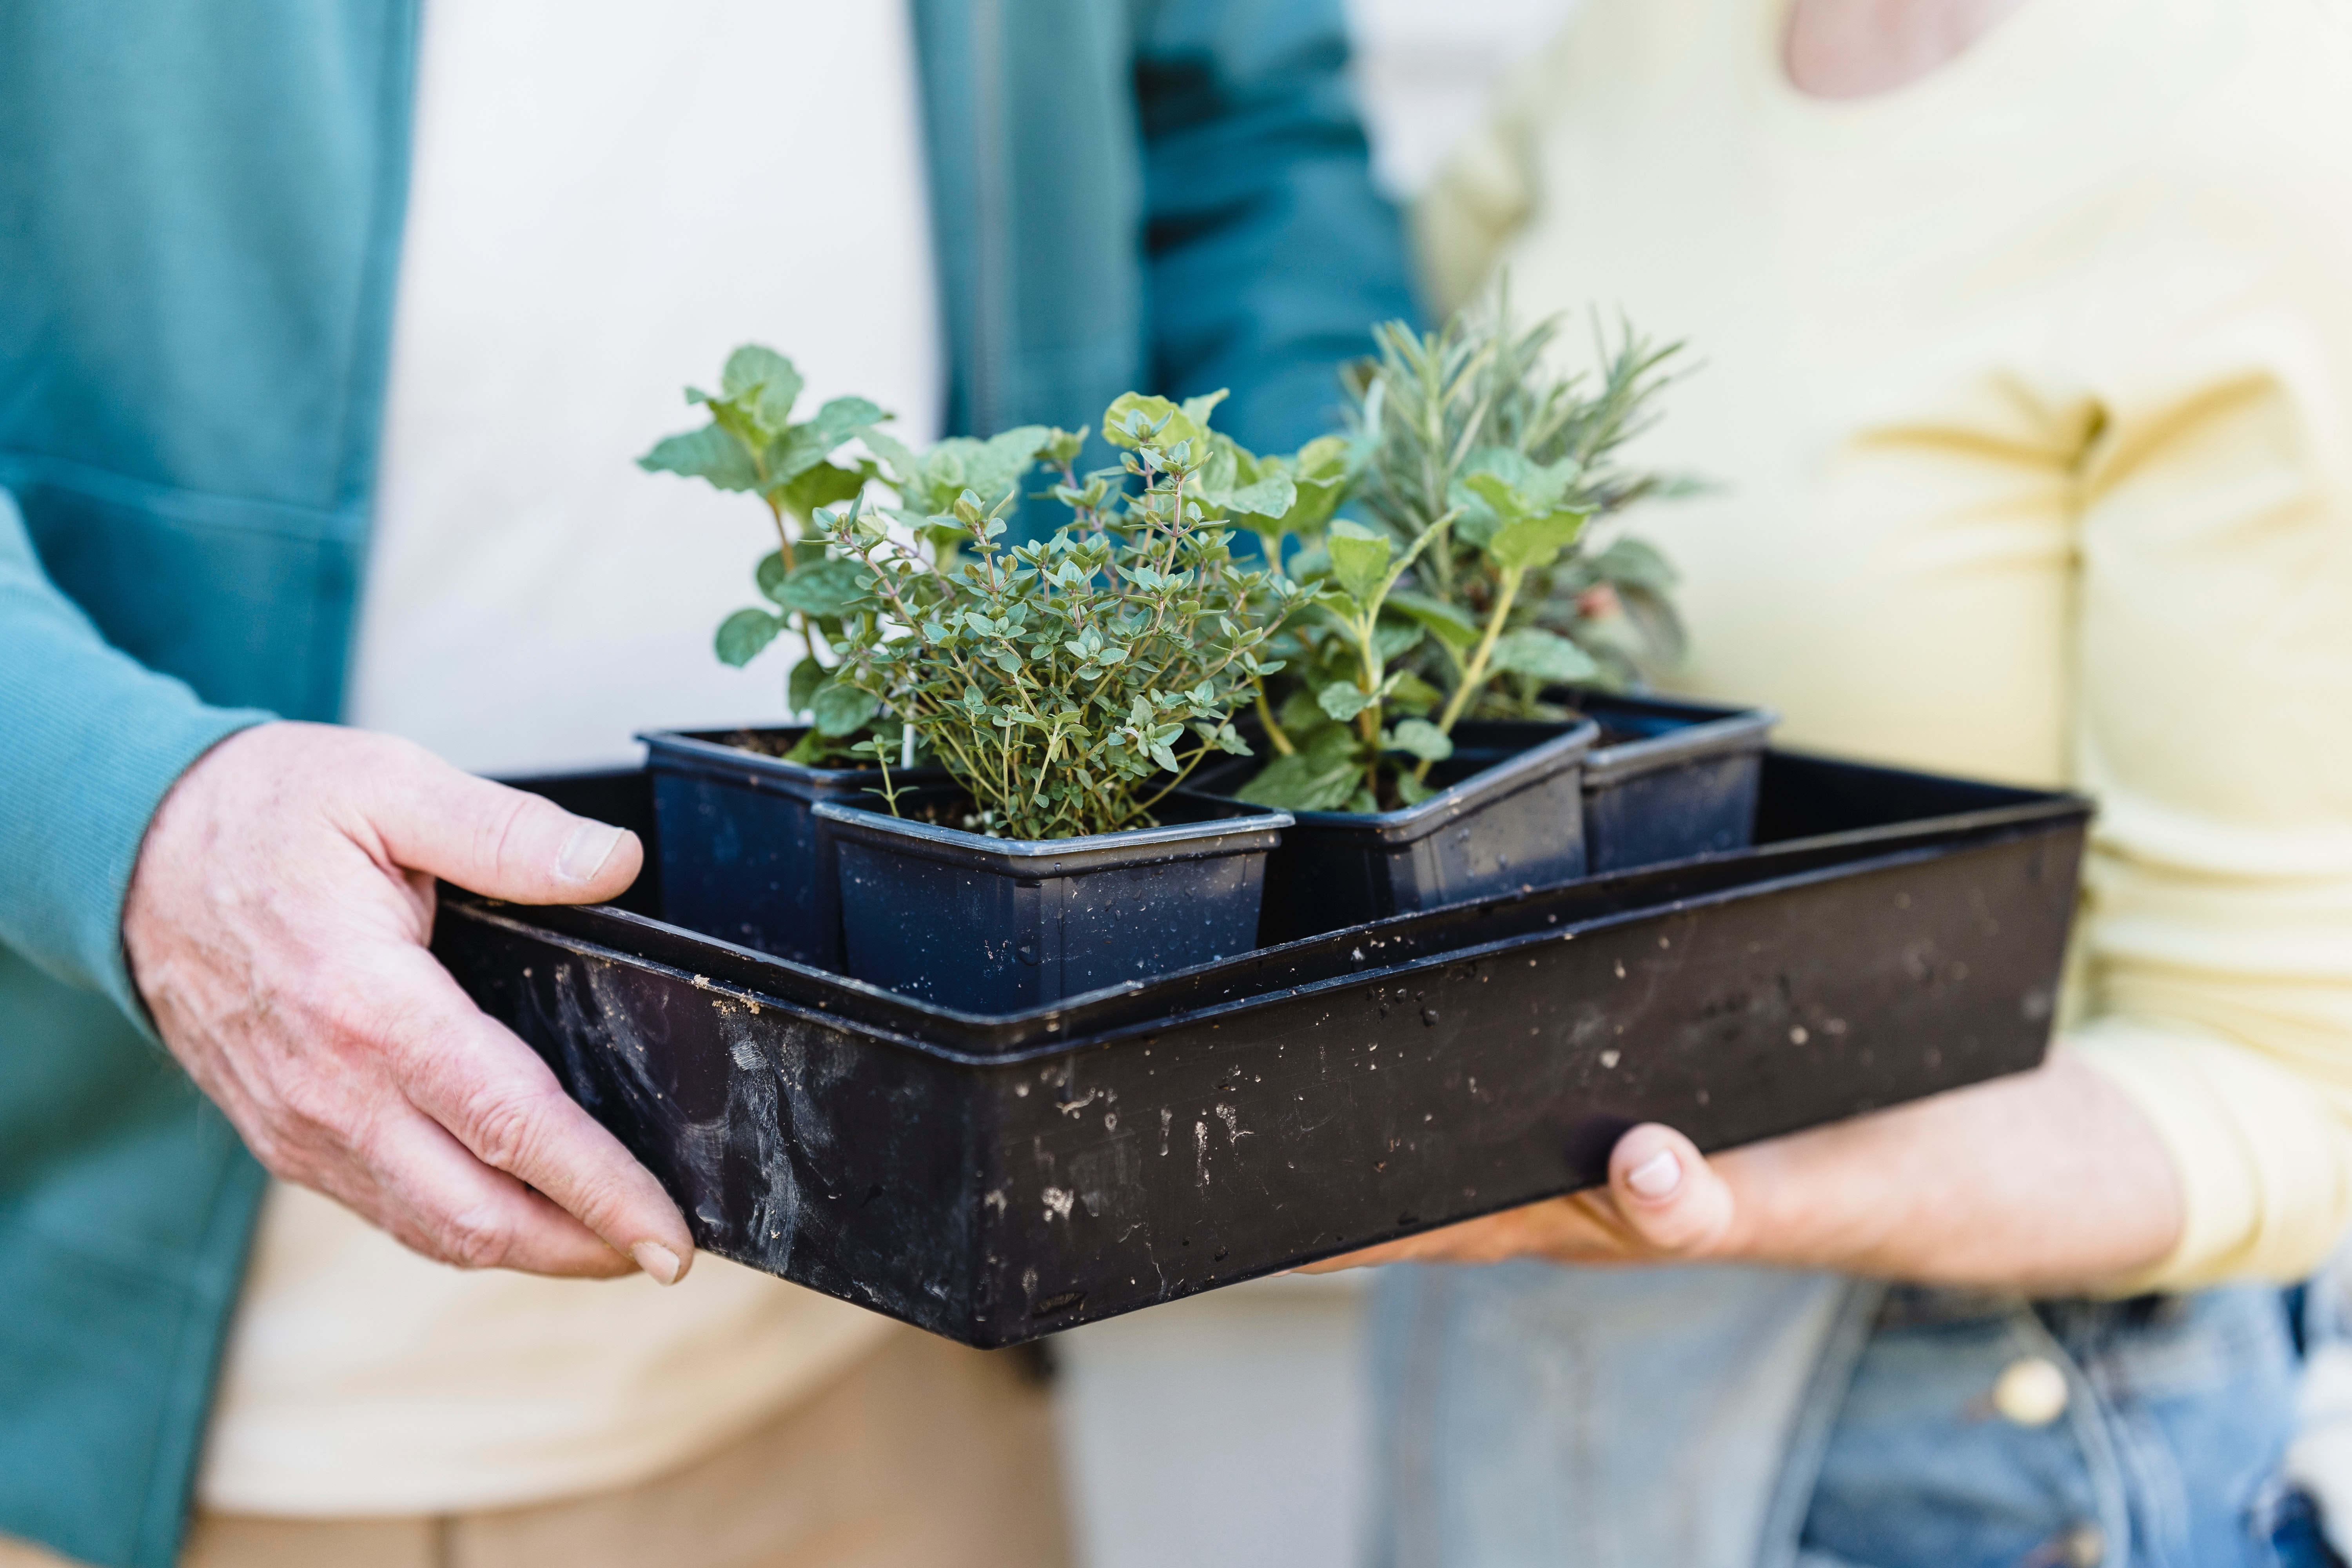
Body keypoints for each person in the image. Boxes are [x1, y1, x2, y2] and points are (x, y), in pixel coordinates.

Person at [0, 4, 1414, 1566]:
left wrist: (1339, 668)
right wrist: (127, 819)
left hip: (879, 1363)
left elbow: (1238, 141)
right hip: (151, 1413)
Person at [1314, 0, 2352, 1564]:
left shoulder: (2250, 136)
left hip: (1946, 1432)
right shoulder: (1638, 45)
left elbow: (2278, 1088)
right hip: (1527, 1357)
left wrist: (1730, 1178)